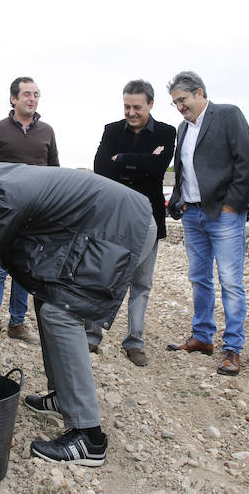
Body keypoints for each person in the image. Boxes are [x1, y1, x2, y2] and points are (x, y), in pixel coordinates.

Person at [0, 163, 157, 466]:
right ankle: (64, 398)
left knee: (62, 312)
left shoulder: (4, 201)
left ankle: (89, 437)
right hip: (108, 220)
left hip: (122, 229)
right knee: (49, 298)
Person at [165, 71, 249, 376]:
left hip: (224, 214)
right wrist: (179, 201)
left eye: (183, 100)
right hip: (193, 215)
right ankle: (202, 337)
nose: (179, 107)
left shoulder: (228, 115)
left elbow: (246, 160)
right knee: (198, 278)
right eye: (175, 102)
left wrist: (232, 203)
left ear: (200, 92)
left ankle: (233, 349)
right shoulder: (183, 128)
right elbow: (183, 169)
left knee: (230, 282)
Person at [91, 80, 176, 366]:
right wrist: (140, 162)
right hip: (115, 216)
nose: (131, 112)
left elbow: (157, 169)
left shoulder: (167, 132)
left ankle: (134, 342)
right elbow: (101, 167)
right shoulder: (111, 130)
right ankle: (93, 335)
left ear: (150, 104)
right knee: (107, 274)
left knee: (142, 283)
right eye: (126, 106)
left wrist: (122, 159)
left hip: (150, 217)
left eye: (137, 107)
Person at [0, 77, 59, 354]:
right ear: (13, 98)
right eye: (26, 94)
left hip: (35, 215)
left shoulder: (47, 131)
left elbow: (55, 171)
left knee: (25, 271)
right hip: (4, 212)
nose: (32, 99)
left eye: (36, 95)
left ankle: (18, 324)